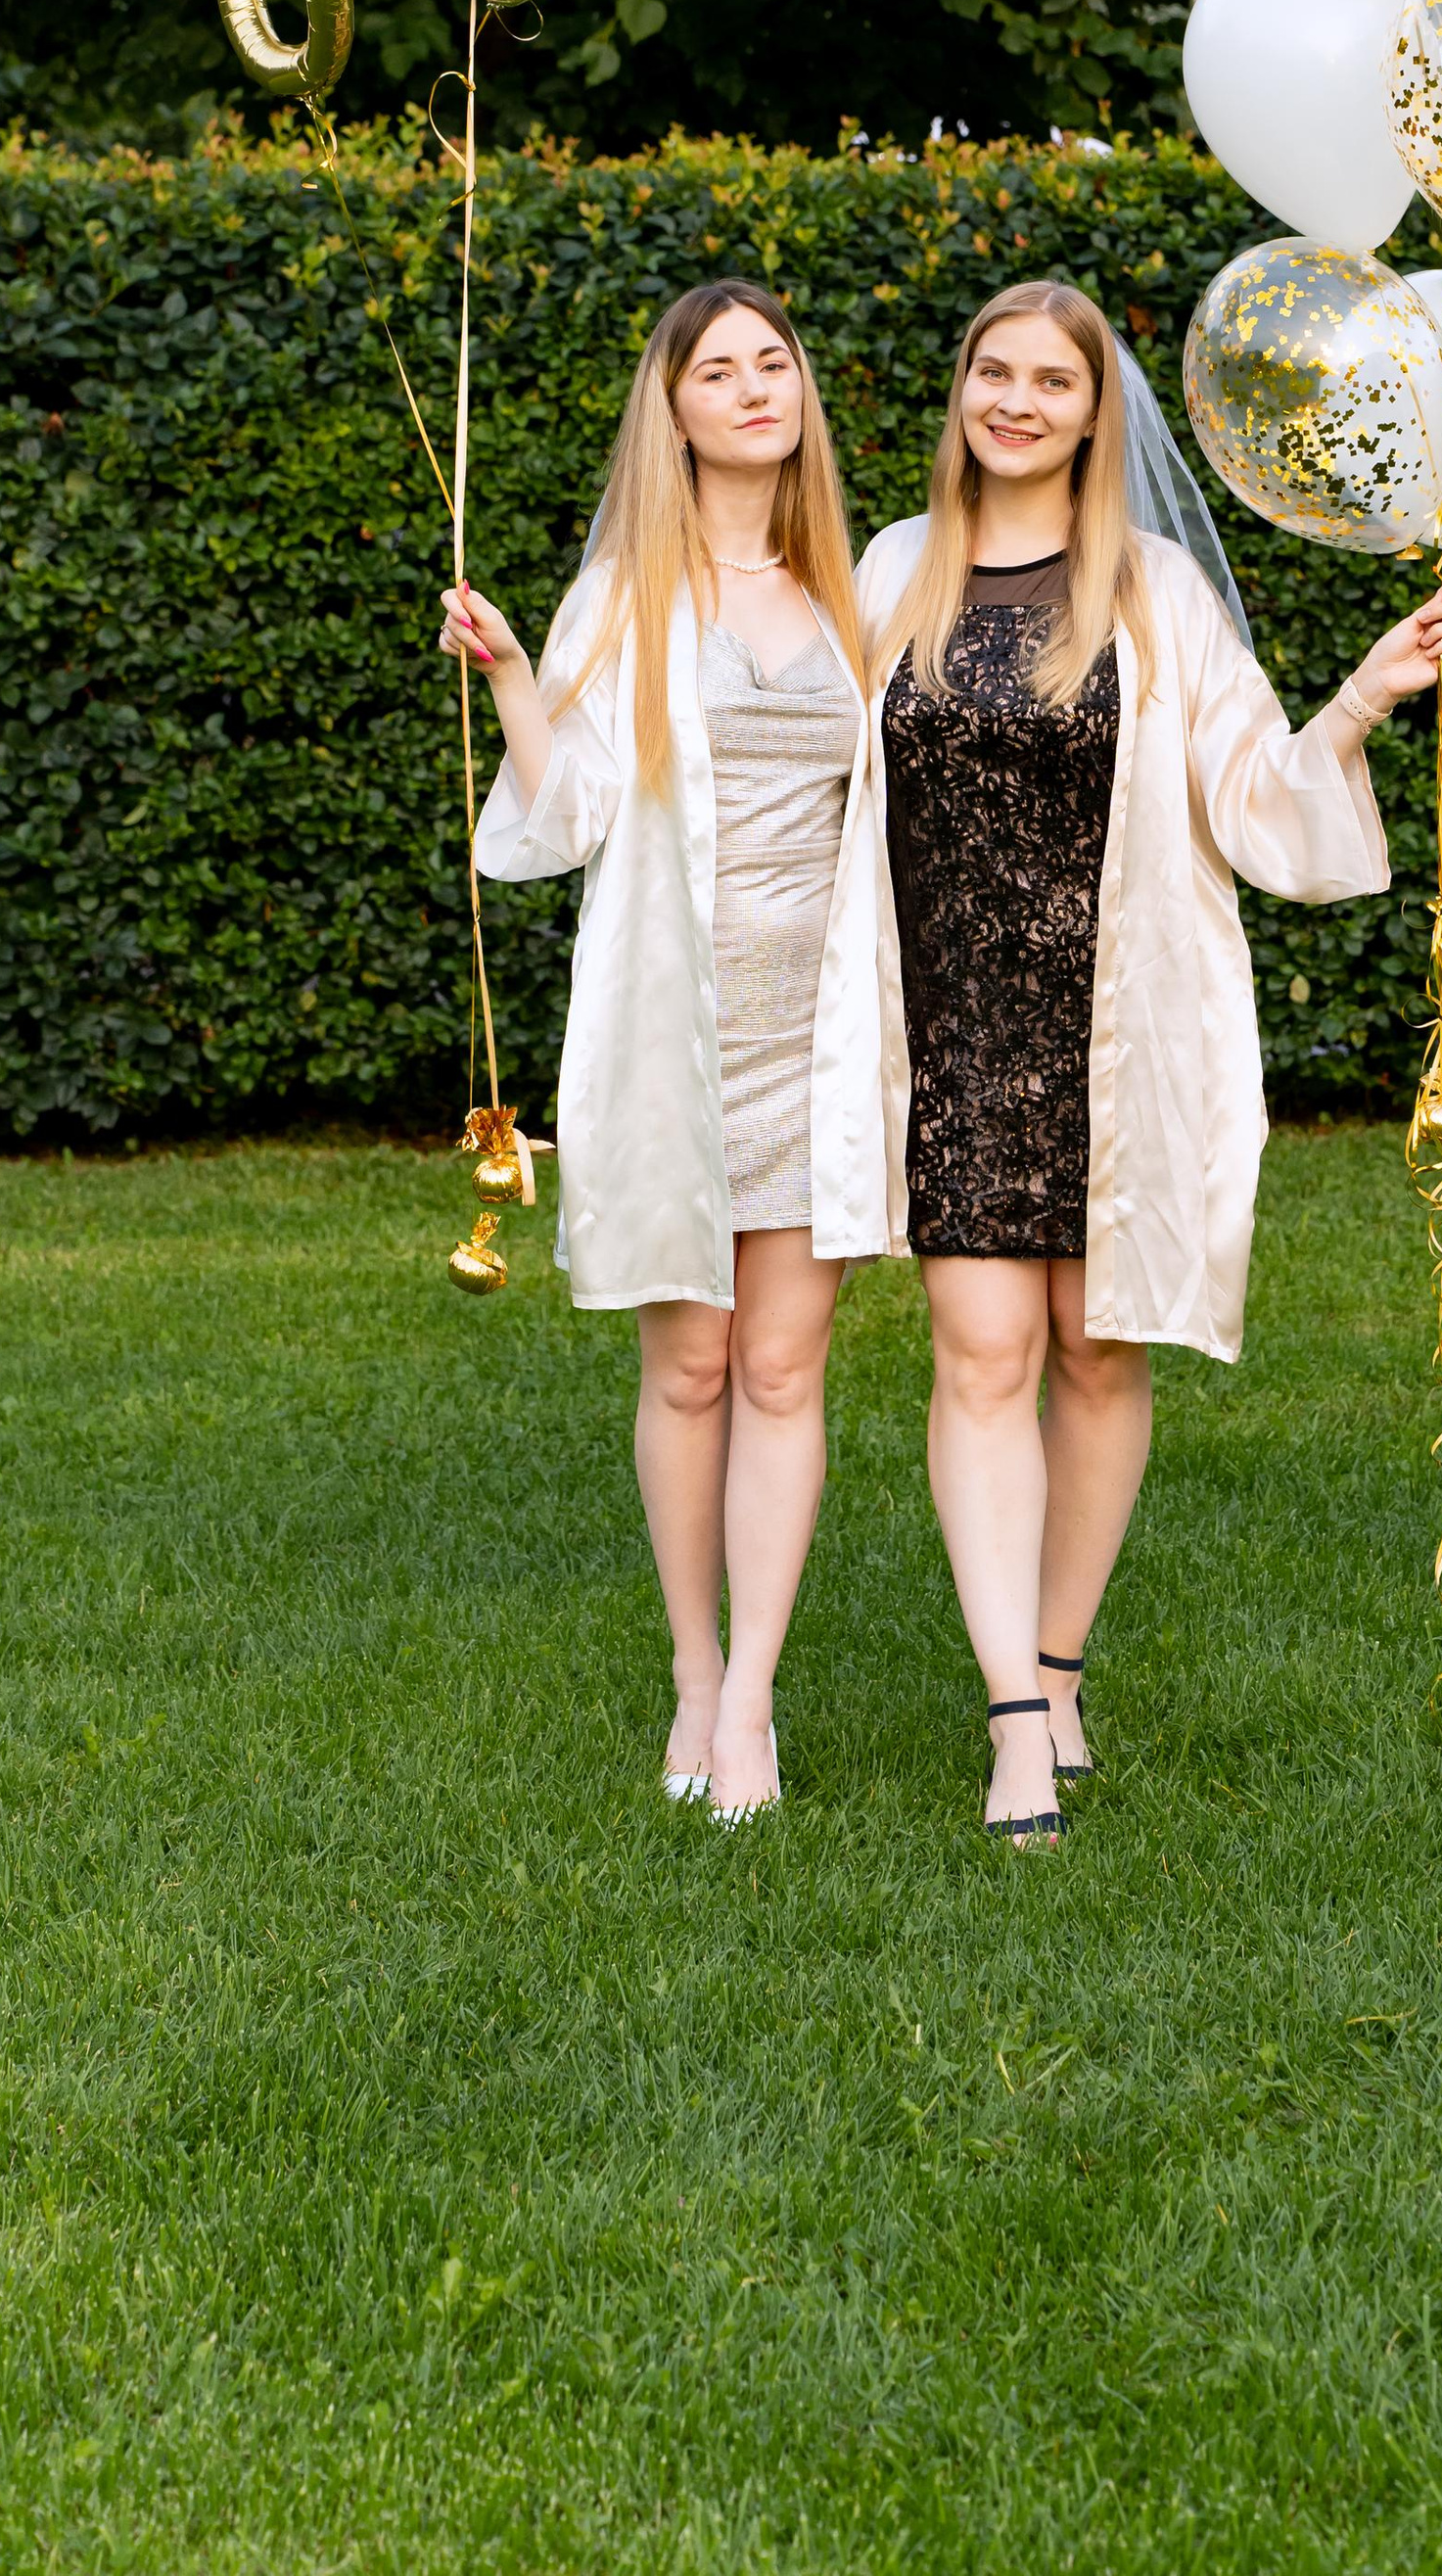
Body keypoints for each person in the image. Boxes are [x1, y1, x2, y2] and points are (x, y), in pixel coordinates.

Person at [860, 280, 1442, 1846]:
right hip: (955, 1030)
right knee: (980, 1357)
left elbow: (1248, 792)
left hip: (1118, 1027)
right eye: (991, 371)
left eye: (1049, 379)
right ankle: (1010, 1721)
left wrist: (1361, 698)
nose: (1014, 400)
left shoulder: (1157, 592)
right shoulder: (890, 577)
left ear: (1093, 409)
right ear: (963, 396)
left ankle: (1062, 1669)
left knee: (1101, 1353)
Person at [440, 281, 888, 1825]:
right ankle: (692, 1669)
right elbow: (558, 823)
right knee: (690, 1364)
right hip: (677, 1034)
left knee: (783, 1362)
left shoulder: (862, 589)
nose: (756, 387)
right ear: (674, 407)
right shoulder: (629, 589)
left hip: (818, 1036)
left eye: (777, 363)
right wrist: (509, 678)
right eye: (721, 368)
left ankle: (754, 1694)